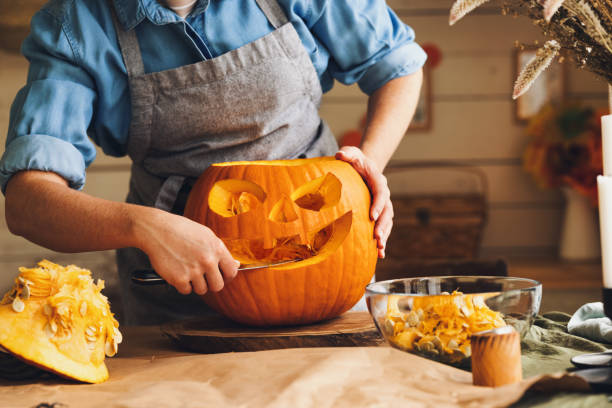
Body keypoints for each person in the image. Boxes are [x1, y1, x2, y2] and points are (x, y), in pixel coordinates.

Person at [1, 0, 426, 325]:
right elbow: (26, 202)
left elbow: (398, 65)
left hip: (321, 246)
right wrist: (142, 226)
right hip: (175, 291)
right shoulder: (75, 26)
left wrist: (365, 165)